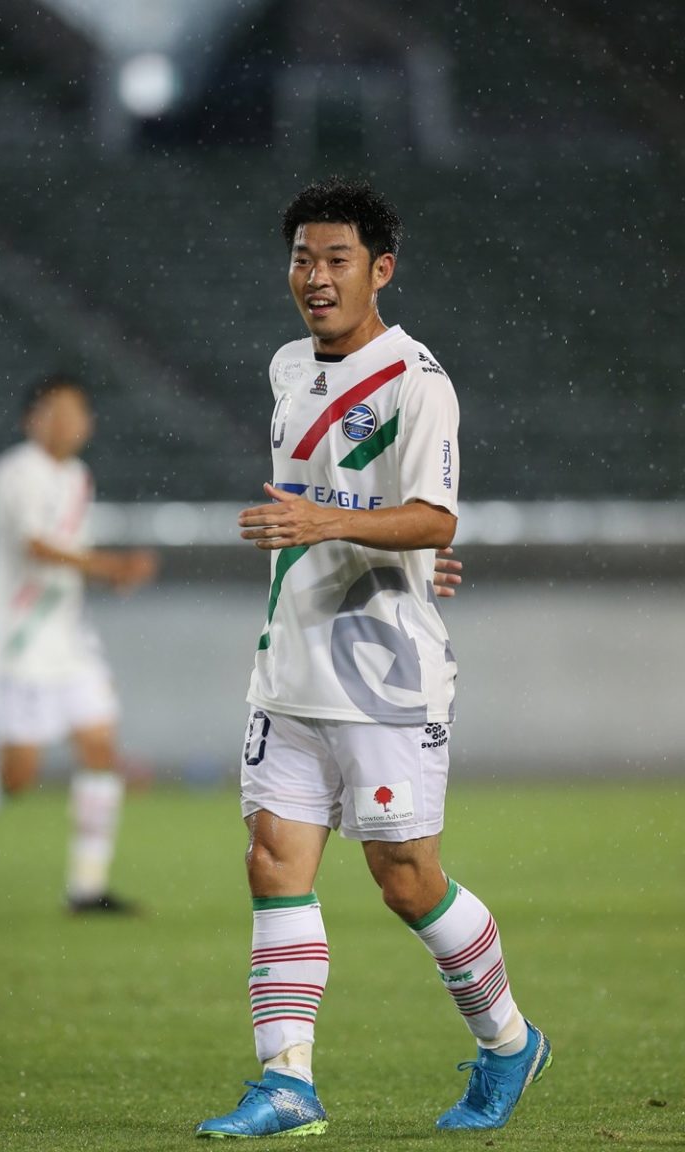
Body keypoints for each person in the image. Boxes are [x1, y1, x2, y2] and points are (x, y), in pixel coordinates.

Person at [196, 178, 551, 1138]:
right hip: (289, 661)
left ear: (381, 269)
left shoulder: (415, 381)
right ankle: (287, 1083)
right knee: (274, 860)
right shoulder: (286, 368)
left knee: (405, 878)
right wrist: (378, 544)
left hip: (385, 676)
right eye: (302, 259)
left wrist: (341, 528)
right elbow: (375, 513)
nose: (315, 277)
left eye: (337, 259)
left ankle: (510, 1042)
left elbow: (434, 514)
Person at [0, 373, 157, 914]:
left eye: (79, 412)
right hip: (21, 644)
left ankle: (86, 888)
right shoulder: (15, 471)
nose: (73, 422)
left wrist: (107, 577)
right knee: (17, 775)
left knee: (100, 750)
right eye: (60, 411)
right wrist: (110, 566)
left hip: (70, 640)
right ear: (33, 419)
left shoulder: (78, 477)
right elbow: (37, 547)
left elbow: (69, 556)